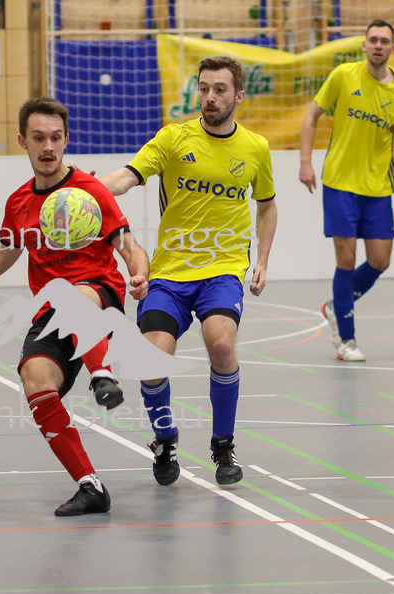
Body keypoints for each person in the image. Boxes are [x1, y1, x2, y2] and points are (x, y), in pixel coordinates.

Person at [0, 96, 150, 516]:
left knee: (74, 297)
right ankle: (90, 485)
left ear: (67, 141)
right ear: (22, 141)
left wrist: (139, 274)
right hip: (51, 310)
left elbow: (130, 246)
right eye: (39, 138)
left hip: (99, 294)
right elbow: (4, 255)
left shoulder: (91, 190)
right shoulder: (19, 202)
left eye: (56, 138)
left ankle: (103, 375)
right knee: (35, 380)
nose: (48, 147)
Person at [100, 56, 278, 488]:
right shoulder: (174, 138)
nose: (210, 97)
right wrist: (89, 190)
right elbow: (129, 175)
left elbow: (267, 204)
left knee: (221, 344)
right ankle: (164, 439)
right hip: (171, 272)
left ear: (238, 95)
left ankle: (223, 444)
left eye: (219, 89)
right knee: (152, 359)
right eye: (203, 88)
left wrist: (262, 261)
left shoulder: (256, 147)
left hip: (222, 269)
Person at [299, 19, 394, 362]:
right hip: (340, 182)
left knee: (381, 260)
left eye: (385, 41)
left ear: (393, 49)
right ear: (364, 46)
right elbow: (312, 116)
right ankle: (346, 341)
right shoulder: (343, 75)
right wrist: (305, 162)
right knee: (347, 259)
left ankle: (337, 305)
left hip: (379, 185)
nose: (378, 45)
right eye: (373, 40)